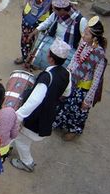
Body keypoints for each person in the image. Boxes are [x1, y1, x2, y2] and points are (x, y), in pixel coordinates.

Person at [10, 38, 72, 173]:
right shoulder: (67, 74)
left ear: (50, 57)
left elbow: (34, 101)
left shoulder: (47, 76)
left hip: (36, 118)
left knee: (20, 139)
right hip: (48, 115)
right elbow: (66, 93)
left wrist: (17, 117)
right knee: (22, 138)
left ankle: (27, 162)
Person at [53, 16, 107, 141]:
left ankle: (74, 130)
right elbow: (74, 60)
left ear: (94, 38)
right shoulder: (83, 44)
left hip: (83, 89)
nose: (83, 35)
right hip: (72, 81)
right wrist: (67, 75)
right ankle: (59, 122)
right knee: (63, 104)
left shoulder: (99, 56)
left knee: (77, 112)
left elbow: (96, 79)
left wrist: (88, 100)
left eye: (87, 33)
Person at [14, 0, 61, 65]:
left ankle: (33, 61)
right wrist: (25, 7)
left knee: (39, 40)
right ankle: (24, 56)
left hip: (42, 18)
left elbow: (57, 4)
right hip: (29, 15)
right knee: (25, 37)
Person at [26, 0, 87, 67]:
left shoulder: (81, 21)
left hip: (66, 53)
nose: (53, 11)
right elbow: (47, 22)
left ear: (62, 10)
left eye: (55, 10)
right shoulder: (56, 14)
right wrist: (35, 31)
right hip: (54, 47)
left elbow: (84, 41)